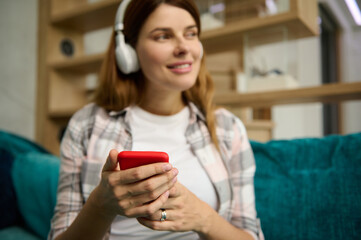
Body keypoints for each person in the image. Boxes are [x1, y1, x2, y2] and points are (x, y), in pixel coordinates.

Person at [49, 0, 263, 239]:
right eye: (163, 36)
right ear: (127, 51)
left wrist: (204, 218)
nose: (184, 48)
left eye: (191, 33)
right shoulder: (86, 124)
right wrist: (101, 205)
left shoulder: (228, 128)